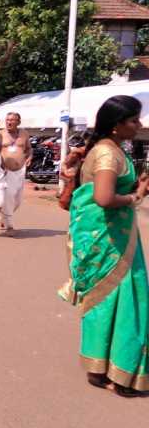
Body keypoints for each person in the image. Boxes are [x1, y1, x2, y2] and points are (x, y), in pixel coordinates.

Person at [65, 95, 149, 397]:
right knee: (127, 299)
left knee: (109, 301)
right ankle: (119, 373)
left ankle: (101, 366)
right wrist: (136, 196)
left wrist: (132, 183)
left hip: (109, 236)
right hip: (111, 240)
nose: (138, 125)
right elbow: (103, 198)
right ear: (116, 126)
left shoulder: (111, 150)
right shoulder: (107, 154)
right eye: (133, 120)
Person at [0, 112, 32, 236]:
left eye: (12, 120)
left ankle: (3, 216)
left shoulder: (24, 134)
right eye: (7, 119)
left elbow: (28, 149)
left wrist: (30, 157)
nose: (9, 122)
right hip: (6, 170)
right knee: (9, 196)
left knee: (17, 200)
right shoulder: (0, 134)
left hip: (21, 170)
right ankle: (9, 225)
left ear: (18, 122)